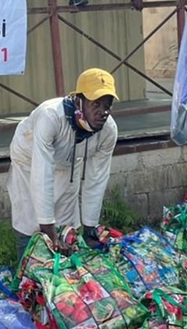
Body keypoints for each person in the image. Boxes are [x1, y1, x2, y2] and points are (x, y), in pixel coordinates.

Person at [8, 68, 119, 257]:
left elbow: (96, 179)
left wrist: (90, 228)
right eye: (96, 104)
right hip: (29, 161)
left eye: (107, 105)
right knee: (31, 222)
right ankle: (26, 268)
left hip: (68, 163)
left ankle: (62, 269)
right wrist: (47, 230)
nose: (103, 112)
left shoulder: (108, 131)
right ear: (79, 101)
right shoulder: (50, 117)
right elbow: (41, 174)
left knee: (67, 226)